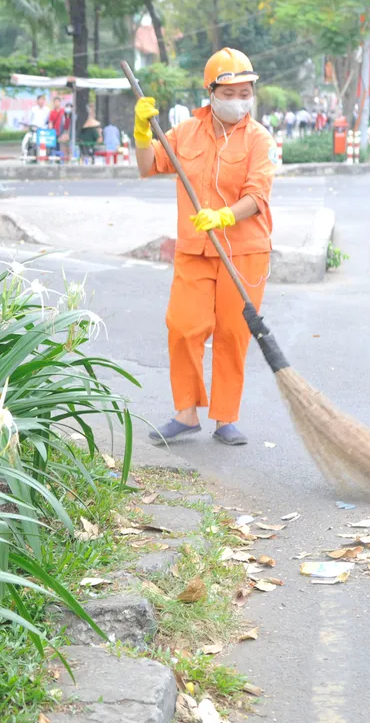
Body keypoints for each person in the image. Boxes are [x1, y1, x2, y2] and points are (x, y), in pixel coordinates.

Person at [133, 47, 275, 446]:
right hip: (195, 249)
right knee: (182, 327)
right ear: (210, 92)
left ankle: (225, 417)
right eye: (228, 93)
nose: (237, 101)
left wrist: (226, 215)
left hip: (243, 250)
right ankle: (186, 413)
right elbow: (148, 166)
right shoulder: (184, 133)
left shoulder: (259, 140)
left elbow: (258, 194)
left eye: (244, 92)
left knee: (233, 333)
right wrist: (142, 132)